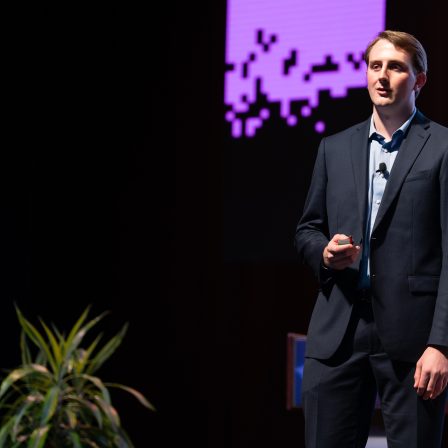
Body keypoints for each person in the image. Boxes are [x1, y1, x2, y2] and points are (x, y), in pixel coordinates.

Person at [295, 30, 448, 448]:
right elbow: (307, 230)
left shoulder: (442, 147)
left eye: (395, 67)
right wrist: (325, 253)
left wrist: (441, 344)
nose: (382, 76)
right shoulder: (334, 148)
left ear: (418, 80)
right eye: (374, 66)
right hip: (338, 334)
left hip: (414, 343)